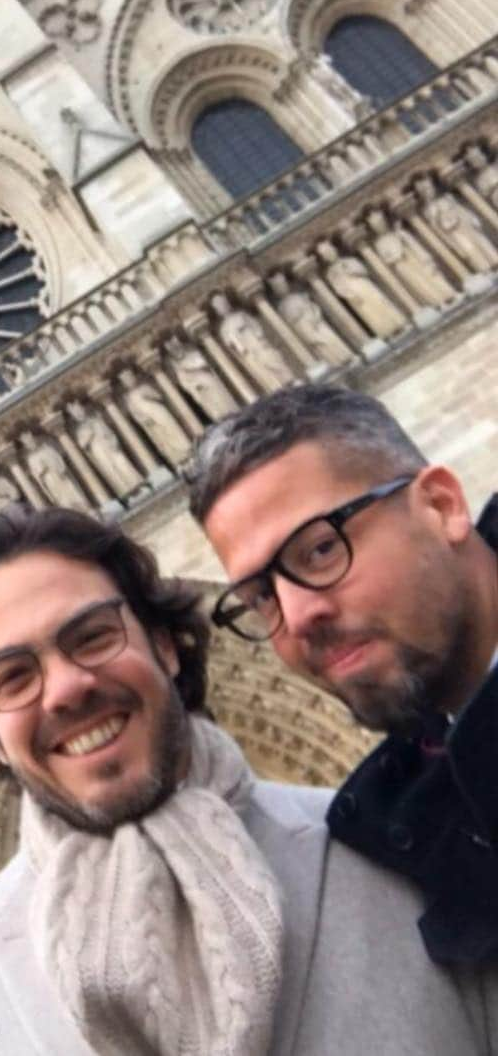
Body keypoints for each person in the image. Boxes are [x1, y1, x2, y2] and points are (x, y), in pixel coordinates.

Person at [0, 503, 494, 1055]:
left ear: (167, 646)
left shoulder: (407, 855)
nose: (67, 688)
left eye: (93, 637)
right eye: (13, 676)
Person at [191, 383, 498, 971]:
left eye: (320, 550)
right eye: (260, 596)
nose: (299, 616)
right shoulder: (408, 839)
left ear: (441, 506)